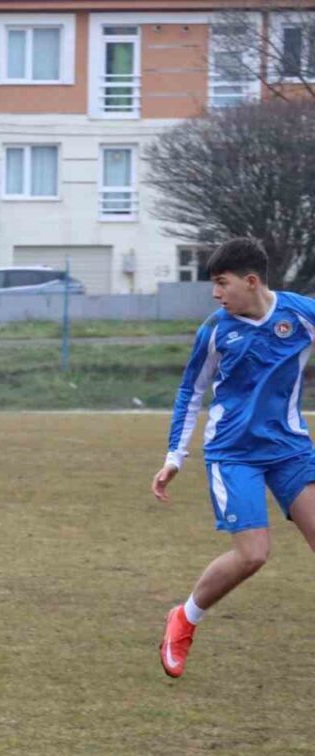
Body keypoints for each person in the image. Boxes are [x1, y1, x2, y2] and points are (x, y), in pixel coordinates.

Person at [153, 237, 315, 678]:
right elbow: (191, 393)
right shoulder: (216, 330)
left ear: (251, 281)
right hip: (233, 454)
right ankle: (185, 617)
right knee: (252, 555)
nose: (215, 293)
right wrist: (175, 456)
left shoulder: (301, 314)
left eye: (221, 283)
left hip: (289, 448)